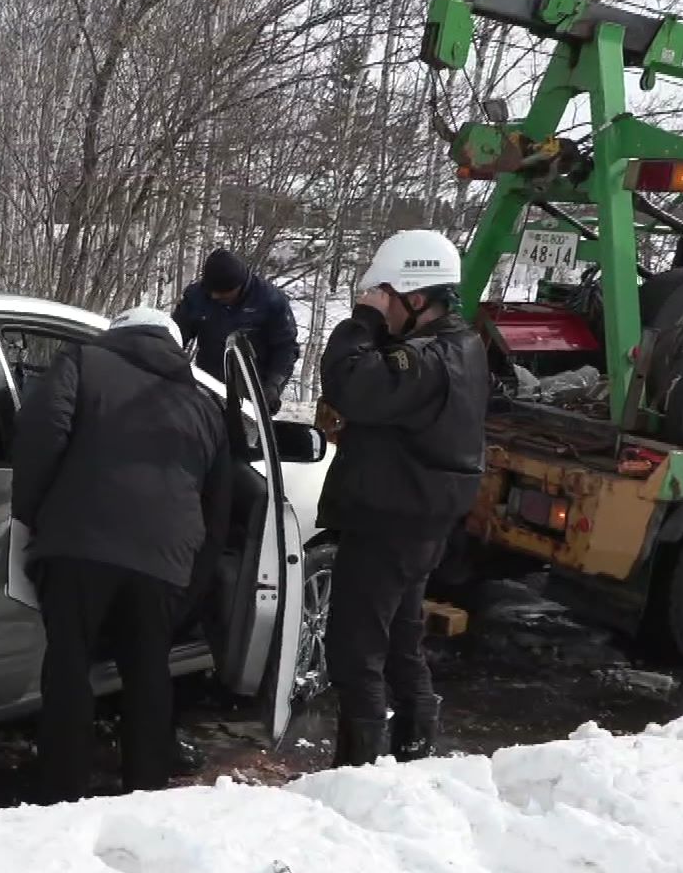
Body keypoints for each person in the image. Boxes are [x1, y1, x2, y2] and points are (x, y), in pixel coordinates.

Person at [11, 307, 232, 802]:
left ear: (116, 334)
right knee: (149, 667)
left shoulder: (83, 361)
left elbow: (41, 434)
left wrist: (32, 515)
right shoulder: (203, 404)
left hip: (78, 544)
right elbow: (218, 508)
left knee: (69, 662)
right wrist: (191, 580)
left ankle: (62, 792)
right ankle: (146, 789)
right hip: (164, 559)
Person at [316, 230, 489, 767]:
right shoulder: (464, 347)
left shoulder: (428, 360)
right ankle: (414, 750)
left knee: (356, 651)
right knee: (399, 643)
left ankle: (357, 770)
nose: (377, 311)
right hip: (420, 523)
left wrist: (360, 323)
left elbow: (352, 381)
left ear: (415, 298)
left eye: (383, 298)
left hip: (389, 526)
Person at [172, 248, 299, 410]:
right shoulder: (197, 296)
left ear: (240, 285)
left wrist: (273, 385)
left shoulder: (271, 301)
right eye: (212, 292)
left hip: (252, 391)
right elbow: (176, 335)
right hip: (209, 385)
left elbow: (286, 348)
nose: (215, 297)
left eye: (223, 293)